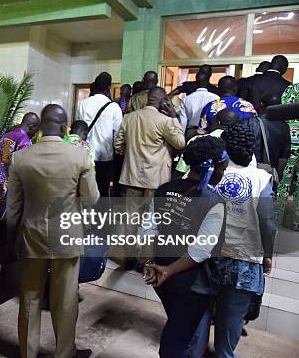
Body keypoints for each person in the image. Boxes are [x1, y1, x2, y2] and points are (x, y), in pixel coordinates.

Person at [7, 104, 99, 358]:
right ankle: (64, 352)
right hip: (67, 237)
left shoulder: (21, 158)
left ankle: (28, 353)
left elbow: (13, 207)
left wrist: (13, 238)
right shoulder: (79, 156)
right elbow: (92, 199)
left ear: (41, 127)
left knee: (30, 298)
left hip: (31, 236)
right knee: (66, 300)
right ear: (63, 127)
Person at [193, 124, 277, 358]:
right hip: (243, 259)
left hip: (207, 255)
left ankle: (195, 352)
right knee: (231, 319)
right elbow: (267, 222)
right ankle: (224, 353)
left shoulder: (212, 173)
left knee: (200, 311)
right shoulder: (261, 178)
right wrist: (267, 254)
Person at [143, 136, 229, 358]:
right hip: (191, 283)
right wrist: (168, 271)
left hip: (161, 277)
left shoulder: (164, 189)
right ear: (211, 168)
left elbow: (149, 230)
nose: (224, 171)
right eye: (223, 167)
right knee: (177, 340)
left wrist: (152, 264)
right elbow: (201, 250)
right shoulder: (214, 201)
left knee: (179, 324)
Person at [115, 87, 185, 269]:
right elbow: (180, 143)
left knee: (131, 218)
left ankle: (128, 258)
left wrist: (130, 155)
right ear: (163, 101)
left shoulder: (129, 118)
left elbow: (118, 144)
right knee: (151, 221)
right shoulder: (165, 120)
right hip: (157, 179)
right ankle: (144, 260)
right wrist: (174, 116)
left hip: (131, 176)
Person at [76, 73, 122, 197]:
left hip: (84, 154)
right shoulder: (114, 107)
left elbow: (78, 128)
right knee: (102, 190)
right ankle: (99, 215)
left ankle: (84, 215)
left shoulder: (83, 104)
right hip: (105, 156)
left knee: (84, 190)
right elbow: (118, 134)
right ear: (108, 88)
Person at [0, 112, 40, 209]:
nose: (35, 134)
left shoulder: (2, 137)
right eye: (36, 130)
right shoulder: (26, 142)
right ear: (32, 126)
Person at [176, 109, 240, 177]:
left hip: (194, 184)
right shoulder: (240, 143)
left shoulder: (198, 140)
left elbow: (181, 170)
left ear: (218, 122)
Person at [243, 93, 291, 179]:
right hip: (269, 175)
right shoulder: (285, 127)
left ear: (261, 104)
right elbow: (283, 159)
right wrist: (277, 179)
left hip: (249, 172)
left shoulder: (247, 122)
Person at [277, 83, 299, 230]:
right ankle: (296, 221)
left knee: (285, 181)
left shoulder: (292, 89)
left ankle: (277, 218)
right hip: (292, 137)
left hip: (292, 138)